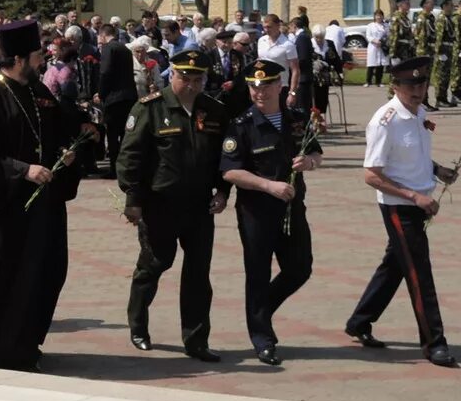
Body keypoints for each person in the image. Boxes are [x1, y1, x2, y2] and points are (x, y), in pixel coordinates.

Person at [0, 19, 87, 372]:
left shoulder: (37, 92)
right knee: (10, 276)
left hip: (43, 204)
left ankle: (27, 341)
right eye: (36, 56)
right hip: (10, 206)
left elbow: (57, 131)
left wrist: (65, 154)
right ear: (18, 59)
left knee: (47, 271)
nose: (42, 62)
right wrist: (23, 170)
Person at [346, 56, 460, 367]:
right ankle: (435, 343)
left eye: (422, 83)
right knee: (419, 273)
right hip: (400, 207)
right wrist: (414, 196)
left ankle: (359, 321)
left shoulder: (420, 112)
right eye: (410, 85)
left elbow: (412, 157)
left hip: (419, 202)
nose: (417, 89)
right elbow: (372, 174)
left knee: (395, 265)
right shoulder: (385, 120)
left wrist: (438, 170)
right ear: (394, 86)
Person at [116, 45, 228, 361]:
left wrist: (223, 192)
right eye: (186, 78)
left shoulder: (214, 111)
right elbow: (129, 158)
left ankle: (196, 340)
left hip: (199, 208)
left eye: (198, 79)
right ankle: (138, 324)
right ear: (173, 75)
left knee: (198, 274)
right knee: (154, 264)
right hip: (159, 205)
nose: (192, 85)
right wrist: (133, 199)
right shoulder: (149, 107)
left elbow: (225, 157)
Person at [219, 59, 320, 366]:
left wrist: (310, 162)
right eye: (253, 86)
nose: (259, 92)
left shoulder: (297, 119)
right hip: (256, 211)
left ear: (281, 85)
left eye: (266, 85)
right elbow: (230, 172)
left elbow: (315, 152)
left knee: (300, 267)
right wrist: (268, 186)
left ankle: (260, 310)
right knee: (258, 274)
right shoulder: (241, 125)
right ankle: (262, 338)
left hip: (292, 209)